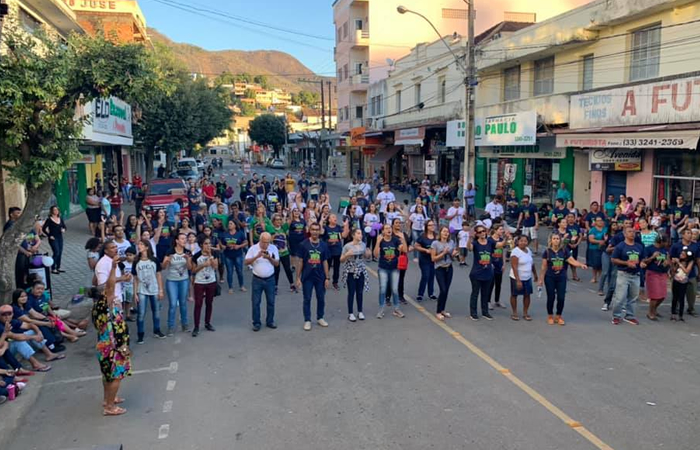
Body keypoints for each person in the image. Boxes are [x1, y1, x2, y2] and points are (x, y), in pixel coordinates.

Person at [91, 258, 131, 417]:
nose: (111, 291)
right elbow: (111, 284)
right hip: (114, 347)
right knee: (116, 376)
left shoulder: (99, 307)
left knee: (107, 375)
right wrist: (113, 268)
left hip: (106, 345)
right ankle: (109, 406)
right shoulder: (104, 306)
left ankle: (108, 399)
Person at [538, 234, 588, 325]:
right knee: (551, 297)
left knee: (561, 297)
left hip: (561, 277)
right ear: (551, 240)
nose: (556, 240)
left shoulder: (564, 251)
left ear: (560, 240)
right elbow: (543, 267)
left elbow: (572, 261)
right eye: (554, 238)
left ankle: (558, 316)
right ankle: (550, 315)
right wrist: (541, 279)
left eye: (557, 238)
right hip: (550, 277)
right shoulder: (547, 252)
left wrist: (581, 264)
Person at [295, 223, 331, 331]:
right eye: (313, 229)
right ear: (309, 230)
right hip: (307, 277)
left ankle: (320, 317)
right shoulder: (303, 244)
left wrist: (327, 278)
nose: (315, 232)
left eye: (317, 230)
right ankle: (307, 320)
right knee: (307, 298)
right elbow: (300, 262)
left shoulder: (324, 245)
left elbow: (325, 261)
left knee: (321, 298)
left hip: (320, 277)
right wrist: (298, 277)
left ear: (320, 231)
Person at [468, 225, 506, 320]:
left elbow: (500, 245)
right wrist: (470, 238)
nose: (482, 233)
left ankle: (485, 312)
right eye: (480, 232)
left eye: (483, 231)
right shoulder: (475, 243)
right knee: (475, 293)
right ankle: (473, 313)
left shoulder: (490, 242)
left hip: (488, 272)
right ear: (476, 234)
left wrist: (506, 238)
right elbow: (469, 248)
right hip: (477, 273)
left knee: (485, 293)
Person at [132, 240, 165, 344]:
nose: (139, 246)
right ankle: (140, 334)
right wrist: (135, 293)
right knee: (141, 313)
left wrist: (160, 290)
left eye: (141, 244)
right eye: (139, 244)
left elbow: (158, 275)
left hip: (154, 288)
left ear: (147, 247)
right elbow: (135, 278)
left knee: (156, 311)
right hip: (141, 289)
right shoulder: (136, 261)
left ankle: (157, 330)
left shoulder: (154, 260)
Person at [245, 232, 280, 332]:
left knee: (271, 301)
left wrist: (269, 258)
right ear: (260, 240)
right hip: (257, 279)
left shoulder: (273, 248)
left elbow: (277, 264)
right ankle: (256, 323)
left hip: (270, 279)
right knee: (256, 302)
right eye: (264, 242)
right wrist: (257, 256)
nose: (266, 244)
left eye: (268, 242)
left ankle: (270, 321)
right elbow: (246, 262)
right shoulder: (253, 249)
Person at [610, 227, 644, 325]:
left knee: (633, 297)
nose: (632, 233)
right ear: (624, 234)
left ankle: (630, 316)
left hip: (636, 274)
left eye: (633, 232)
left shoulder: (639, 246)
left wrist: (642, 263)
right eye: (629, 232)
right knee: (620, 297)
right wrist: (626, 263)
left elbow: (642, 258)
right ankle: (616, 316)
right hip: (623, 274)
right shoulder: (620, 246)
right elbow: (613, 259)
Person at [374, 223, 407, 319]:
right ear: (383, 231)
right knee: (383, 289)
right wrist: (377, 242)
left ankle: (397, 309)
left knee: (395, 289)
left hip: (394, 268)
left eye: (390, 228)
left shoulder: (395, 240)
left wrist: (403, 239)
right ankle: (381, 309)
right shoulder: (381, 241)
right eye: (386, 228)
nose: (389, 230)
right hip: (383, 268)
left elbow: (404, 250)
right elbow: (375, 255)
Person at [162, 233, 192, 335]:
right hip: (172, 280)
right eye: (182, 239)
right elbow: (163, 267)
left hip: (184, 280)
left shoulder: (187, 252)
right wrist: (167, 261)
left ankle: (185, 324)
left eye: (185, 239)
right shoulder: (170, 252)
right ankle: (170, 326)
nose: (184, 240)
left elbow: (190, 268)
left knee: (183, 303)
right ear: (177, 241)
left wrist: (187, 259)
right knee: (173, 304)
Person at [340, 229, 371, 322]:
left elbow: (366, 256)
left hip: (360, 270)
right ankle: (350, 313)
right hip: (350, 271)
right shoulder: (347, 246)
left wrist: (368, 254)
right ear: (353, 235)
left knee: (360, 292)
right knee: (351, 292)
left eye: (361, 233)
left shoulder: (363, 245)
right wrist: (347, 255)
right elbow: (341, 260)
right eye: (358, 233)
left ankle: (360, 311)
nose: (360, 235)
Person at [191, 237, 219, 337]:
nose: (208, 246)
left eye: (209, 243)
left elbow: (215, 267)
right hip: (199, 282)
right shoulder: (196, 256)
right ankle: (196, 326)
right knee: (198, 304)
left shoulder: (214, 254)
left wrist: (210, 255)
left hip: (211, 281)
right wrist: (203, 265)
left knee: (209, 303)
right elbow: (193, 270)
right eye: (206, 244)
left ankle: (207, 323)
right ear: (201, 245)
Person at [431, 226, 459, 321]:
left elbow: (453, 255)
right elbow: (433, 258)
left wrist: (454, 254)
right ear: (440, 233)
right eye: (444, 231)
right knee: (442, 289)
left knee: (446, 290)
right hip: (440, 268)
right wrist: (443, 253)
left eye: (447, 232)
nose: (446, 233)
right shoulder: (435, 243)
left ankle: (443, 309)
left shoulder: (451, 242)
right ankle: (438, 311)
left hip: (449, 268)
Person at [641, 234, 670, 321]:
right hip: (652, 273)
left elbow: (667, 260)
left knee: (662, 295)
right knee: (655, 295)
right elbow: (643, 261)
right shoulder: (649, 249)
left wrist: (667, 262)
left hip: (663, 273)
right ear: (661, 242)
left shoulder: (664, 250)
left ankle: (654, 309)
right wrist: (652, 257)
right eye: (666, 242)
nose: (667, 244)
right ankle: (650, 312)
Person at [509, 236, 538, 321]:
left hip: (527, 277)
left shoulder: (528, 250)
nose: (523, 242)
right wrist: (518, 280)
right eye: (521, 241)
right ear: (518, 242)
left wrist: (535, 274)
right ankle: (514, 312)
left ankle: (525, 313)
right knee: (514, 294)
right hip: (516, 277)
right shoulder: (515, 252)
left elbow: (531, 263)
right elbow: (514, 267)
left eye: (525, 241)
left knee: (527, 295)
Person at [267, 214, 295, 294]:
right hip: (275, 254)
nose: (279, 221)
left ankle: (292, 284)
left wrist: (288, 213)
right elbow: (269, 240)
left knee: (287, 269)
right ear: (273, 221)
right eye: (277, 220)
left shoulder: (283, 228)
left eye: (280, 219)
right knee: (276, 270)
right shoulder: (271, 229)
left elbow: (290, 220)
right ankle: (275, 286)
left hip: (285, 252)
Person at [321, 214, 348, 290]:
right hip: (328, 251)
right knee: (327, 267)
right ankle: (325, 280)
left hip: (337, 251)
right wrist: (322, 221)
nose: (335, 218)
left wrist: (346, 225)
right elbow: (321, 232)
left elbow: (344, 235)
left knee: (336, 268)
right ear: (329, 220)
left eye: (335, 217)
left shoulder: (338, 227)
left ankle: (335, 282)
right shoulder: (326, 228)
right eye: (333, 217)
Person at [414, 220, 437, 302]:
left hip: (433, 259)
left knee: (432, 276)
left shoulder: (436, 236)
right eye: (430, 225)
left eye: (433, 225)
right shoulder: (422, 236)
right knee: (425, 275)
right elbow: (416, 246)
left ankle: (431, 293)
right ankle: (420, 294)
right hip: (424, 259)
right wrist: (425, 250)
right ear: (427, 227)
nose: (432, 226)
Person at [222, 220, 248, 294]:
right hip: (228, 255)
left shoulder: (240, 233)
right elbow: (221, 243)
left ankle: (241, 285)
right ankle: (230, 287)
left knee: (239, 271)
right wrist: (224, 246)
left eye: (231, 224)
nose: (229, 225)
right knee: (229, 272)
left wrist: (239, 246)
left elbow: (246, 242)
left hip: (238, 254)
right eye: (228, 224)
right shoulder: (225, 233)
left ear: (235, 225)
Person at [670, 244, 693, 322]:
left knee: (681, 298)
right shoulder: (678, 260)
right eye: (681, 253)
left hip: (683, 282)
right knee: (675, 298)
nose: (681, 255)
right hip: (676, 280)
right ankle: (673, 314)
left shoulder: (690, 262)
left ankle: (681, 315)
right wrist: (674, 264)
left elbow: (686, 271)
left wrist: (679, 264)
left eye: (683, 254)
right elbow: (673, 271)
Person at [42, 206, 67, 275]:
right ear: (51, 211)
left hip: (60, 237)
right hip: (53, 238)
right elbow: (44, 229)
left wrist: (63, 229)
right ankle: (53, 268)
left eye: (57, 210)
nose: (56, 211)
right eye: (54, 210)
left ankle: (58, 267)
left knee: (60, 252)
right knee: (56, 252)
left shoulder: (60, 218)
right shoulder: (49, 219)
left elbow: (64, 227)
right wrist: (49, 235)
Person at [587, 217, 608, 289]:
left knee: (602, 263)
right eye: (598, 221)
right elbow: (591, 239)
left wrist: (604, 241)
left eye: (601, 220)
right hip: (594, 248)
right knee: (595, 264)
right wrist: (599, 242)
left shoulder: (606, 229)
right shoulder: (593, 230)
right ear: (595, 222)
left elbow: (608, 237)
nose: (600, 222)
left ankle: (601, 277)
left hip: (603, 248)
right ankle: (594, 277)